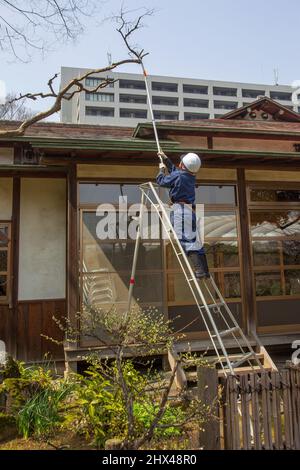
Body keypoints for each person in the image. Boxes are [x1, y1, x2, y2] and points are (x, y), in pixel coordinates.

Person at [156, 151, 210, 279]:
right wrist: (166, 159)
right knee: (195, 241)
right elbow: (176, 170)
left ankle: (199, 270)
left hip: (180, 210)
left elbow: (161, 181)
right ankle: (205, 271)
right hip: (189, 211)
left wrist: (161, 170)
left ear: (182, 165)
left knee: (185, 240)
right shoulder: (189, 176)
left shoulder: (179, 175)